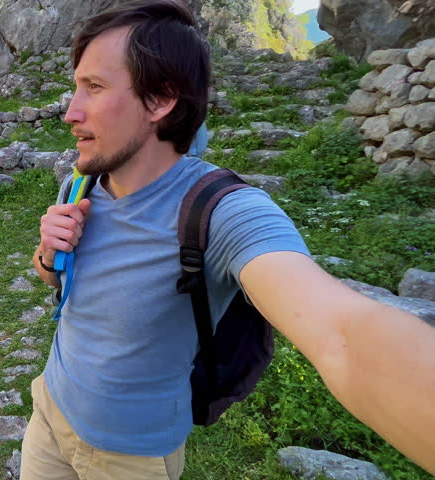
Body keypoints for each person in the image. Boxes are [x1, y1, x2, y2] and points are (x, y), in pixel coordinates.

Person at [25, 1, 435, 478]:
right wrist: (47, 255)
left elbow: (342, 333)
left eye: (93, 87)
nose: (70, 112)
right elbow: (58, 283)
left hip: (131, 456)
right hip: (49, 413)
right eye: (77, 86)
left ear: (160, 100)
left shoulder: (224, 211)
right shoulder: (81, 183)